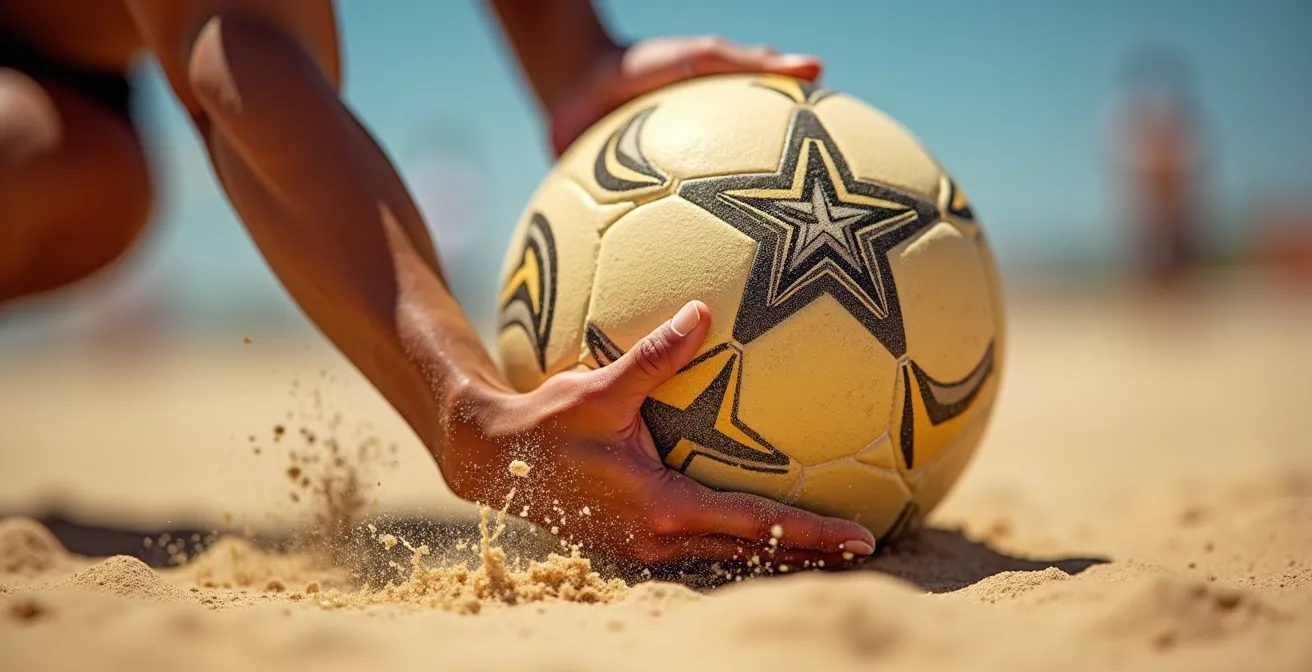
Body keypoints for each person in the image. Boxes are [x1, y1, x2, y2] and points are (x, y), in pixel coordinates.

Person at [0, 1, 878, 569]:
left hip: (65, 76)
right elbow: (236, 44)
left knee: (85, 181)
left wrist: (572, 55)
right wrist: (461, 406)